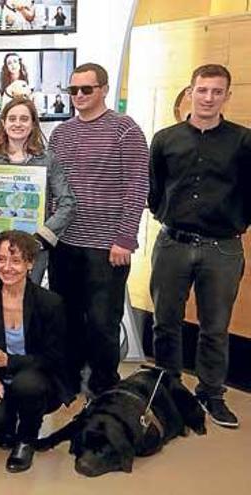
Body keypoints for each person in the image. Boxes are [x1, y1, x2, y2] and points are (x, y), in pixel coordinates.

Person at [149, 64, 250, 429]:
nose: (208, 98)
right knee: (165, 322)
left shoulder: (243, 141)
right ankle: (167, 385)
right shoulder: (165, 139)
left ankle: (211, 392)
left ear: (227, 95)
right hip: (172, 243)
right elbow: (155, 189)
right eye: (202, 90)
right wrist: (167, 215)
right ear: (190, 92)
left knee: (215, 326)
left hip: (222, 249)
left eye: (216, 91)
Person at [48, 63, 149, 397]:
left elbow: (137, 185)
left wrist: (125, 237)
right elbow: (51, 187)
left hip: (107, 247)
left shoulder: (125, 130)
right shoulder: (60, 133)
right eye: (72, 90)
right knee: (68, 317)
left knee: (104, 323)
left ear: (103, 89)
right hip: (64, 243)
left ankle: (104, 386)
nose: (78, 96)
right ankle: (70, 379)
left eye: (86, 89)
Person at [0, 230, 71, 473]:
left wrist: (9, 360)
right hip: (0, 377)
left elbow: (53, 359)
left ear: (30, 264)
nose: (7, 268)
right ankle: (7, 420)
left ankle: (25, 440)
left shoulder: (49, 303)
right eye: (2, 260)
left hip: (37, 379)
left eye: (16, 261)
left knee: (27, 384)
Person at [0, 97, 76, 283]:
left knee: (28, 304)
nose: (18, 124)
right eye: (12, 118)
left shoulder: (48, 160)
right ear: (3, 123)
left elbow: (68, 203)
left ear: (33, 124)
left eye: (24, 119)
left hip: (32, 248)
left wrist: (41, 237)